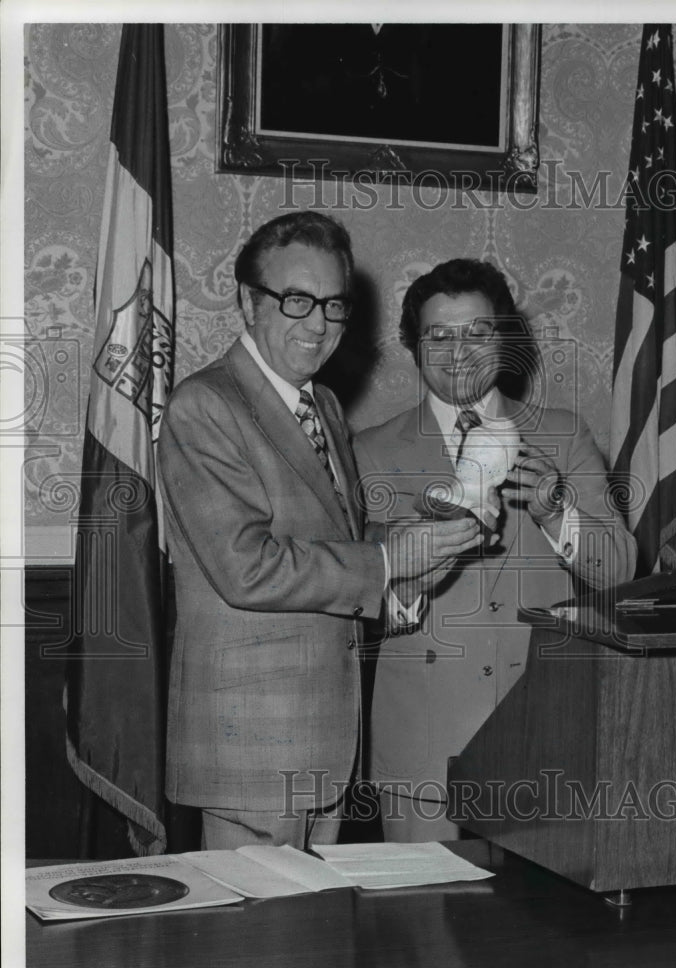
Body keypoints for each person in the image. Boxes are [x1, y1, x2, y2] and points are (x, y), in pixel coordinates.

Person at [157, 214, 482, 851]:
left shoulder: (322, 404)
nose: (318, 324)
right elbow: (245, 567)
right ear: (247, 302)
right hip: (250, 758)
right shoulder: (204, 406)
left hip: (326, 747)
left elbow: (342, 540)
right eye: (296, 300)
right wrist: (389, 561)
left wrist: (424, 551)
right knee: (259, 949)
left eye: (334, 305)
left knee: (316, 946)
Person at [354, 258, 638, 842]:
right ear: (414, 346)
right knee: (423, 926)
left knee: (544, 930)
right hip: (424, 755)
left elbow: (620, 571)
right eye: (439, 335)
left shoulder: (563, 435)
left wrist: (555, 508)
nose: (459, 352)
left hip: (544, 739)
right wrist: (414, 566)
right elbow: (352, 591)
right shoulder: (368, 452)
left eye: (478, 333)